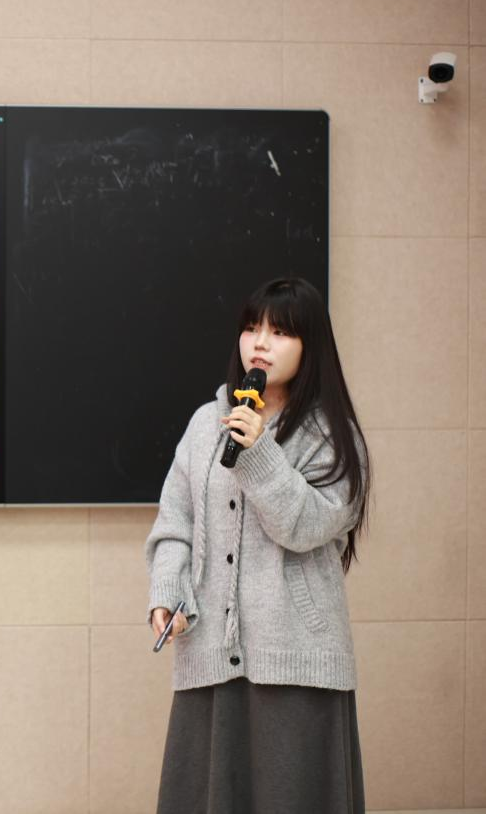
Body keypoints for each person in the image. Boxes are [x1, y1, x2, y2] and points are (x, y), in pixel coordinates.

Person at [145, 276, 371, 814]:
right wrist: (167, 593)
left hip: (297, 662)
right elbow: (175, 520)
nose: (260, 343)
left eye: (280, 332)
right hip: (209, 656)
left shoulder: (332, 434)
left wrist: (259, 452)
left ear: (311, 345)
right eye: (252, 328)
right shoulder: (207, 423)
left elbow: (306, 526)